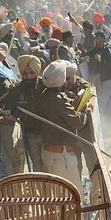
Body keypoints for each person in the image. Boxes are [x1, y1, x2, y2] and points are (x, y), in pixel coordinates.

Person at [39, 60, 87, 189]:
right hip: (61, 157)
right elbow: (78, 122)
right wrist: (84, 108)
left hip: (50, 153)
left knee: (59, 197)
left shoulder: (45, 94)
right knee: (75, 196)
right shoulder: (57, 99)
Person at [2, 55, 46, 173]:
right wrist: (9, 115)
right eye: (25, 74)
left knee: (49, 165)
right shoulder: (16, 91)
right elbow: (10, 109)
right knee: (37, 166)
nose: (28, 77)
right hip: (31, 135)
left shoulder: (45, 86)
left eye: (31, 73)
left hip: (48, 135)